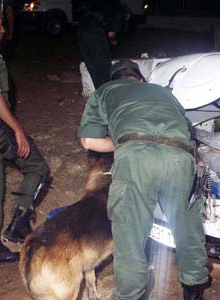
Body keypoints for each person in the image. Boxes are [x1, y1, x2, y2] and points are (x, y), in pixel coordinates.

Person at [77, 60, 209, 300]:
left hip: (136, 159)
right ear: (141, 79)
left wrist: (122, 143)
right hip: (180, 158)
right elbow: (189, 132)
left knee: (130, 238)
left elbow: (88, 141)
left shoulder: (105, 91)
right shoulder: (162, 92)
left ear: (115, 79)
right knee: (187, 228)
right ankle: (193, 290)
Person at [0, 4, 49, 268]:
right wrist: (17, 129)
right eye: (1, 24)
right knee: (37, 166)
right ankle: (19, 222)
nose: (4, 30)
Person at [77, 0, 125, 89]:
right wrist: (113, 40)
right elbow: (111, 34)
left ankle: (100, 91)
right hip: (94, 28)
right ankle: (107, 90)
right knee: (103, 62)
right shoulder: (118, 11)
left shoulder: (105, 6)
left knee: (92, 63)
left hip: (82, 26)